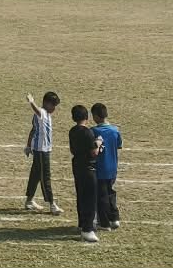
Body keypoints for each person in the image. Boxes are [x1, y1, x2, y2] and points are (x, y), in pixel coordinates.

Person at [68, 104, 101, 242]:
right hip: (88, 168)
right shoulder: (88, 133)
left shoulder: (72, 131)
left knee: (81, 196)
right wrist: (98, 143)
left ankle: (82, 223)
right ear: (86, 117)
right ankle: (87, 229)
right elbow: (94, 152)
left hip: (77, 166)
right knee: (90, 198)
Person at [25, 91, 60, 214]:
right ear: (46, 103)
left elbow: (33, 130)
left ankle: (29, 200)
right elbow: (38, 111)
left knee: (35, 175)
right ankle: (52, 204)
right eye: (53, 105)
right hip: (41, 151)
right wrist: (32, 102)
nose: (54, 108)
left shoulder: (47, 115)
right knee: (45, 177)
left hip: (43, 150)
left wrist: (28, 145)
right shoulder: (42, 112)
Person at [91, 102, 122, 231]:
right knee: (110, 193)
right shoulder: (115, 130)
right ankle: (114, 218)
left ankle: (104, 222)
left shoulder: (94, 131)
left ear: (96, 116)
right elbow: (119, 145)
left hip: (100, 168)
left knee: (101, 196)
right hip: (113, 167)